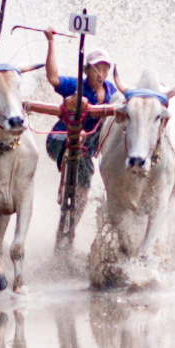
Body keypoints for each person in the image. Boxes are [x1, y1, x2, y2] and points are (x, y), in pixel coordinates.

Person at [41, 27, 118, 215]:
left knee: (87, 164)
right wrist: (51, 42)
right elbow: (53, 78)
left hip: (90, 144)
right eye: (96, 69)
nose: (101, 74)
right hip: (60, 139)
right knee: (81, 155)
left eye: (105, 69)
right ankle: (66, 185)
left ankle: (77, 211)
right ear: (87, 70)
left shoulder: (112, 91)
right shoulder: (76, 85)